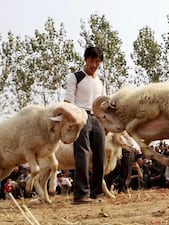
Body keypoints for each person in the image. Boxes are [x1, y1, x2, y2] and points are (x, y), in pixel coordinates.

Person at [64, 46, 106, 204]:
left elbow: (102, 103)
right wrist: (66, 118)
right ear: (85, 59)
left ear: (100, 62)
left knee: (100, 157)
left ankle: (97, 193)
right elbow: (68, 99)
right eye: (91, 60)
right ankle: (81, 195)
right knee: (82, 155)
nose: (93, 64)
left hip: (98, 118)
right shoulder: (76, 77)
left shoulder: (101, 82)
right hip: (80, 115)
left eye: (97, 61)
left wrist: (105, 122)